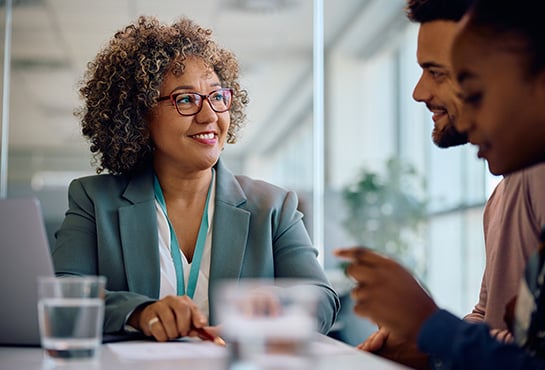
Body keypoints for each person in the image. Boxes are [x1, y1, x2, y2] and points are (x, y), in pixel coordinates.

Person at [52, 15, 340, 343]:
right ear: (140, 114)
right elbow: (63, 294)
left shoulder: (273, 207)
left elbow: (322, 299)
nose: (210, 116)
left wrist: (274, 311)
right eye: (186, 99)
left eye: (217, 97)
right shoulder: (93, 200)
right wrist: (140, 312)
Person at [336, 0, 545, 368]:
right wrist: (431, 342)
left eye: (473, 89)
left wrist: (433, 328)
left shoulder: (534, 176)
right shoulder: (504, 195)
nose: (418, 93)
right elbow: (499, 328)